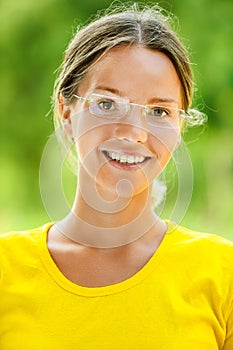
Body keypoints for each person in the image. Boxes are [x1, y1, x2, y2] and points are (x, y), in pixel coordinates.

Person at [0, 4, 232, 349]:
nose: (134, 132)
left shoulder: (222, 273)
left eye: (159, 111)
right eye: (107, 104)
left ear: (179, 127)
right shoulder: (6, 269)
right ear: (67, 112)